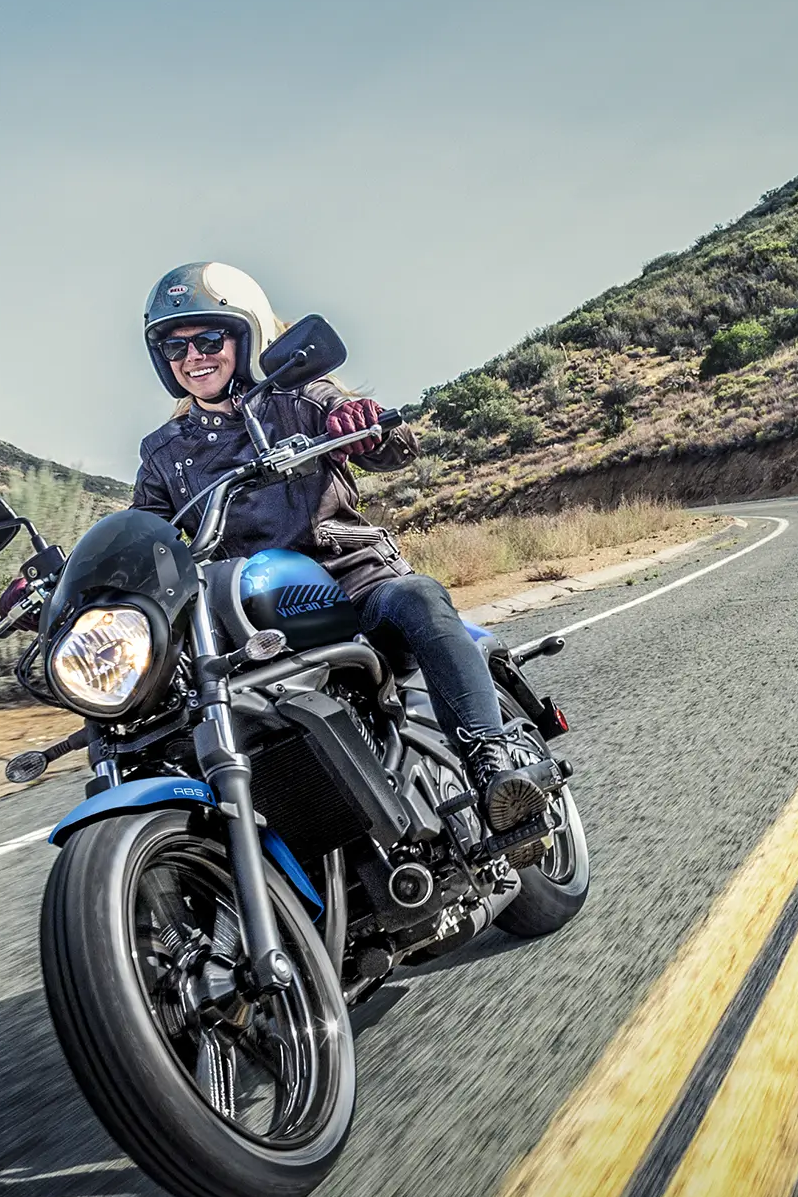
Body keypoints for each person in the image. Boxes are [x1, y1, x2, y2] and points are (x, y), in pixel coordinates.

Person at [127, 262, 557, 838]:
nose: (193, 356)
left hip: (350, 580)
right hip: (246, 611)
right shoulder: (163, 453)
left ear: (247, 333)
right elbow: (146, 532)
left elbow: (395, 445)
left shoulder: (299, 397)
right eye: (175, 346)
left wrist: (363, 422)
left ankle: (495, 768)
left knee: (419, 598)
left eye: (209, 339)